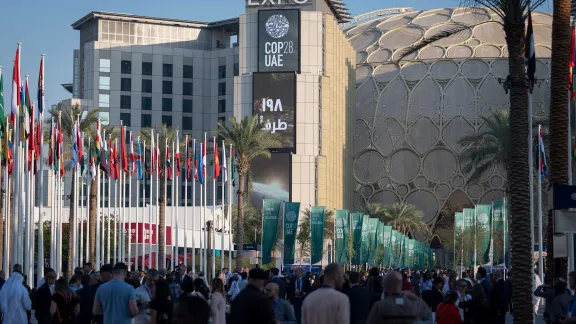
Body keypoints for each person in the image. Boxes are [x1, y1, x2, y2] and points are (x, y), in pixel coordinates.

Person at [366, 271, 430, 324]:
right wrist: (415, 297)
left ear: (386, 285)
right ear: (401, 284)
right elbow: (428, 316)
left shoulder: (379, 307)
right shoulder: (412, 305)